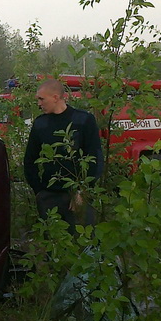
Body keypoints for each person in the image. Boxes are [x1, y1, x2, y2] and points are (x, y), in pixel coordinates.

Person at [23, 78, 104, 229]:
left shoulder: (83, 120)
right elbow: (30, 160)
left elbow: (95, 158)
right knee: (53, 244)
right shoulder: (40, 124)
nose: (39, 103)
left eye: (41, 99)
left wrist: (83, 190)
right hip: (49, 196)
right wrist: (39, 192)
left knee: (83, 241)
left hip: (78, 194)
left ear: (55, 97)